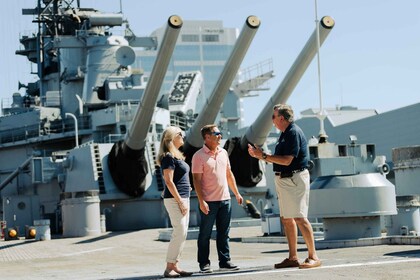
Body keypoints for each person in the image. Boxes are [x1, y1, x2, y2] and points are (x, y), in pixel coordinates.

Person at [247, 104, 321, 269]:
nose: (272, 121)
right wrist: (262, 156)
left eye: (273, 117)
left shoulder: (293, 132)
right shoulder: (285, 134)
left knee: (300, 218)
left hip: (294, 178)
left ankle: (313, 256)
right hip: (286, 179)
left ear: (281, 118)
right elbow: (281, 158)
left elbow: (287, 160)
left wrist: (263, 156)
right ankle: (293, 257)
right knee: (287, 219)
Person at [192, 124, 243, 273]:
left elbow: (229, 174)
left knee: (224, 233)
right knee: (205, 234)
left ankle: (225, 261)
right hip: (208, 202)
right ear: (207, 137)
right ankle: (204, 263)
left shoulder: (223, 153)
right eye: (217, 134)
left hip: (225, 199)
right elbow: (197, 180)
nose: (220, 136)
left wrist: (237, 193)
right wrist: (201, 201)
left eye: (220, 133)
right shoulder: (198, 156)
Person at [157, 126, 194, 278]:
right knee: (180, 232)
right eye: (181, 134)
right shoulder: (168, 157)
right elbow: (169, 181)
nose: (183, 136)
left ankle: (175, 265)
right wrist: (180, 201)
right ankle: (169, 267)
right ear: (173, 137)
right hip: (175, 200)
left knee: (182, 233)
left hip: (183, 197)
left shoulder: (176, 156)